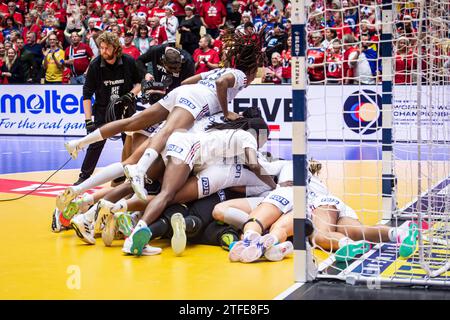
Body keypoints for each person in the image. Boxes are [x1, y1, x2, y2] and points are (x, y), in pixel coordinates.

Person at [60, 31, 265, 212]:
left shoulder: (218, 70)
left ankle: (80, 147)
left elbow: (185, 82)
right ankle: (133, 182)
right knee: (150, 165)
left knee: (132, 125)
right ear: (252, 69)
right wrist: (227, 111)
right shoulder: (241, 76)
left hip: (180, 94)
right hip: (195, 107)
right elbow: (221, 84)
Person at [124, 116, 276, 256]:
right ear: (258, 134)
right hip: (190, 149)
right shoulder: (248, 138)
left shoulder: (231, 134)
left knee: (157, 191)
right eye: (264, 139)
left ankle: (122, 208)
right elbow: (255, 165)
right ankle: (135, 234)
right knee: (167, 196)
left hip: (179, 142)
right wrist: (273, 185)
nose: (262, 144)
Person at [74, 32, 142, 185]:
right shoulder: (95, 64)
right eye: (101, 48)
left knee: (129, 142)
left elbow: (140, 83)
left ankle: (125, 172)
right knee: (96, 142)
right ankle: (84, 177)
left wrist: (131, 95)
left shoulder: (128, 61)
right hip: (103, 110)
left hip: (125, 108)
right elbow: (86, 94)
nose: (103, 51)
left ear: (116, 48)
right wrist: (87, 120)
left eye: (107, 48)